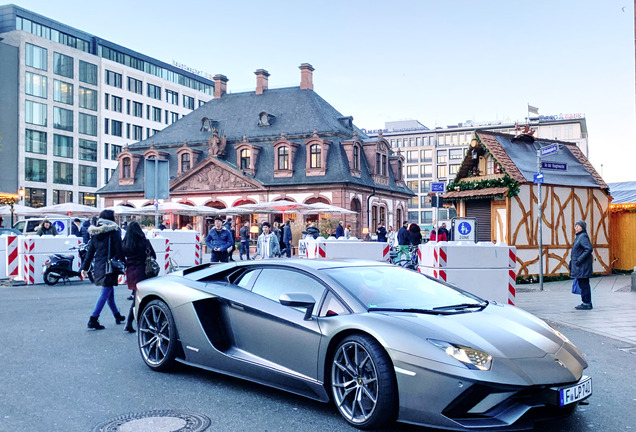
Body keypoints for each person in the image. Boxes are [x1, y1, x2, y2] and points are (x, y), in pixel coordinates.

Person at [81, 209, 126, 330]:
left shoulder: (94, 232)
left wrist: (84, 267)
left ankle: (117, 315)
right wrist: (125, 262)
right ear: (111, 218)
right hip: (110, 266)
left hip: (99, 265)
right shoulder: (114, 231)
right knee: (105, 293)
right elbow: (119, 249)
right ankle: (93, 319)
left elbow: (90, 251)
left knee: (109, 292)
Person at [121, 221, 155, 333]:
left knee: (137, 296)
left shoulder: (125, 243)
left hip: (130, 271)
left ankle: (131, 323)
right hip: (143, 270)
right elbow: (153, 255)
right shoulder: (144, 242)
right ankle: (133, 322)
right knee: (140, 298)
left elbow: (121, 257)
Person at [570, 220, 594, 310]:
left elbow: (588, 248)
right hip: (580, 266)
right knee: (583, 284)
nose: (576, 228)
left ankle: (587, 303)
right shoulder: (579, 237)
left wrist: (579, 260)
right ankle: (586, 302)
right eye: (575, 226)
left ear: (582, 227)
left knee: (584, 284)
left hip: (582, 266)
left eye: (578, 226)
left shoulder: (582, 236)